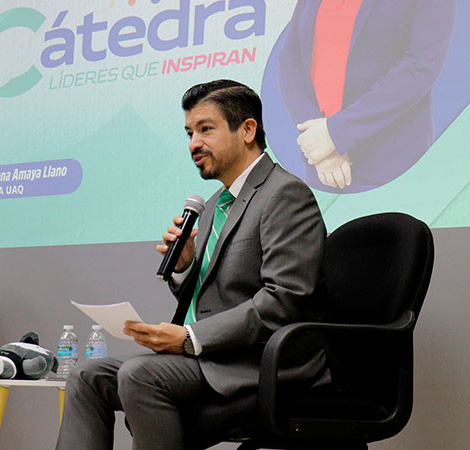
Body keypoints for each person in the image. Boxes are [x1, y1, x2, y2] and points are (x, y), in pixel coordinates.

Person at [56, 80, 328, 449]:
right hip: (211, 356)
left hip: (258, 361)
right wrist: (186, 268)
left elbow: (283, 299)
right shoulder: (217, 202)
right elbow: (213, 294)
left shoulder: (285, 194)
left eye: (205, 129)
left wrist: (190, 338)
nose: (193, 144)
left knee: (140, 373)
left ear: (248, 130)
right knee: (88, 375)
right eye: (189, 133)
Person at [278, 0, 456, 192]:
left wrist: (336, 133)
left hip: (391, 164)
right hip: (323, 166)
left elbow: (421, 67)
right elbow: (290, 60)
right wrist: (315, 136)